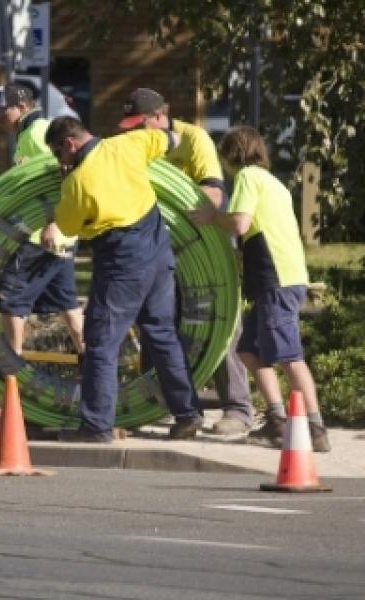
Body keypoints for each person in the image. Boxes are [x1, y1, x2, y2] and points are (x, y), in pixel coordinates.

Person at [45, 116, 202, 442]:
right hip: (159, 255)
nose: (59, 161)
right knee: (162, 335)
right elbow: (170, 139)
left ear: (70, 144)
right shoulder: (129, 143)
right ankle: (187, 414)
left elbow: (68, 229)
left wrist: (54, 213)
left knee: (101, 343)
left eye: (58, 153)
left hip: (122, 264)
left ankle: (96, 427)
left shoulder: (78, 181)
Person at [118, 87, 253, 436]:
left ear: (160, 117)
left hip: (202, 245)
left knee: (220, 322)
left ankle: (237, 409)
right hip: (159, 244)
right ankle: (163, 402)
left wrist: (172, 207)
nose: (133, 132)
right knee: (158, 321)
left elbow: (212, 193)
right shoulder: (136, 144)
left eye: (139, 124)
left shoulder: (194, 140)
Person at [189, 125, 331, 452]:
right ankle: (277, 422)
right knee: (248, 349)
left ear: (232, 154)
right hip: (282, 275)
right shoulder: (274, 183)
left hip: (275, 277)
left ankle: (315, 427)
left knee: (289, 356)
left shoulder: (248, 177)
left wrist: (211, 217)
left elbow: (240, 222)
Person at [0, 83, 84, 355]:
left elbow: (66, 175)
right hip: (57, 236)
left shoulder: (36, 132)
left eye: (2, 113)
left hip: (41, 236)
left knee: (10, 300)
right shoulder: (29, 133)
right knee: (68, 305)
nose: (0, 121)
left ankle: (11, 373)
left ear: (21, 107)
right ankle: (93, 363)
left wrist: (53, 222)